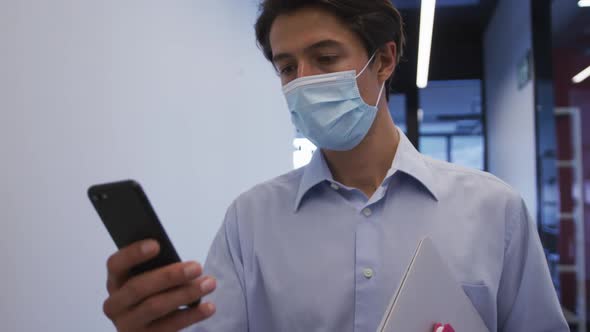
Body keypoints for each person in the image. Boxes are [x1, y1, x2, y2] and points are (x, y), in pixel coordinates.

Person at [101, 0, 570, 331]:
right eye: (287, 67)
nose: (303, 82)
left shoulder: (493, 210)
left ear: (383, 60)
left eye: (324, 58)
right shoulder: (250, 221)